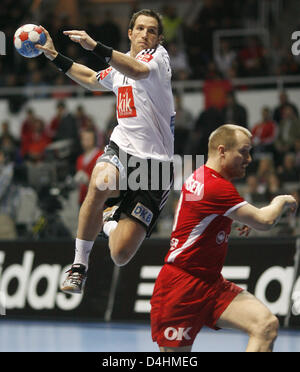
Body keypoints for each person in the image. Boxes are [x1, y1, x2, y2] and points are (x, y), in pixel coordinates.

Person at [36, 9, 175, 293]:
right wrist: (53, 55)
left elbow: (137, 70)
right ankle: (78, 266)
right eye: (139, 29)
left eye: (151, 31)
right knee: (99, 182)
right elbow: (89, 77)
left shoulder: (158, 59)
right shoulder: (118, 69)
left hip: (155, 167)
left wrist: (95, 46)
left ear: (159, 38)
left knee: (120, 254)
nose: (145, 35)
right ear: (130, 33)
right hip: (121, 149)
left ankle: (109, 219)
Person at [150, 124, 297, 352]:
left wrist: (236, 218)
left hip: (211, 284)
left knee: (265, 326)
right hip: (181, 287)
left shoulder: (204, 176)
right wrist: (282, 201)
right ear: (222, 151)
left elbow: (206, 216)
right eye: (243, 151)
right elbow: (265, 221)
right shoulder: (215, 186)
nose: (249, 159)